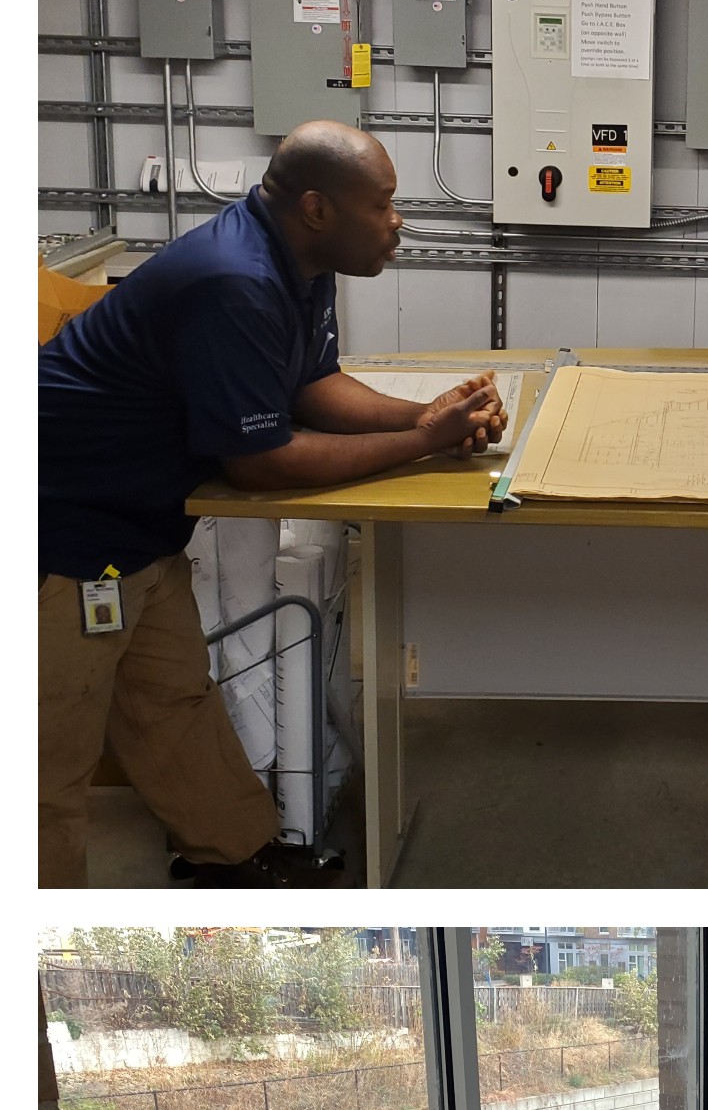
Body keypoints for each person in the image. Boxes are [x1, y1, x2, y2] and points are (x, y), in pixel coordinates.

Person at [39, 120, 505, 887]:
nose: (398, 223)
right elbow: (261, 462)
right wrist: (423, 442)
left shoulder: (299, 259)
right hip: (60, 527)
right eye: (384, 204)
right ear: (318, 207)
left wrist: (425, 415)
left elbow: (308, 386)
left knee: (170, 701)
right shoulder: (235, 279)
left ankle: (230, 854)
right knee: (46, 763)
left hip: (138, 521)